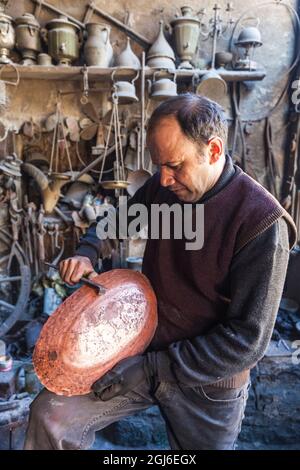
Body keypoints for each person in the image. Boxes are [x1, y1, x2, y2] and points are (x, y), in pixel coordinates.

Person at [24, 94, 297, 450]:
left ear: (213, 151)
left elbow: (246, 341)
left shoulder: (261, 224)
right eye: (159, 167)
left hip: (208, 379)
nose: (164, 180)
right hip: (143, 347)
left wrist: (153, 368)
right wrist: (88, 252)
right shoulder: (164, 188)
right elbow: (115, 223)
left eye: (175, 166)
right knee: (50, 415)